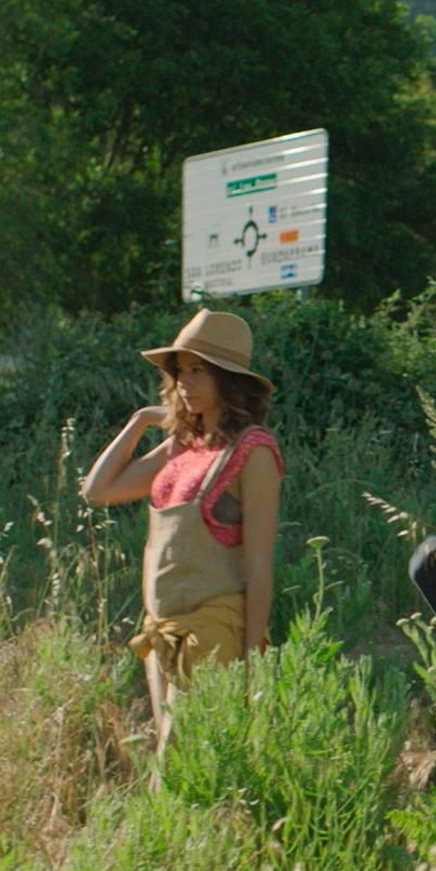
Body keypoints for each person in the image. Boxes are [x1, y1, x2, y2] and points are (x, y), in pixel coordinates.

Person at [82, 309, 282, 755]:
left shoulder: (254, 450)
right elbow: (99, 490)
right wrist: (140, 421)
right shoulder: (181, 447)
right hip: (161, 633)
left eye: (198, 371)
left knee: (183, 766)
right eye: (180, 371)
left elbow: (258, 565)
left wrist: (252, 662)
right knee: (172, 765)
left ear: (228, 380)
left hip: (212, 629)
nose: (185, 383)